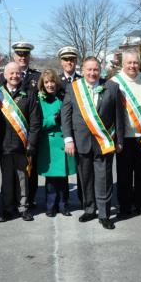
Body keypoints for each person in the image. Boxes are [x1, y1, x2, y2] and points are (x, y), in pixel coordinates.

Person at [61, 56, 124, 229]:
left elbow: (119, 116)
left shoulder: (112, 87)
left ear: (100, 70)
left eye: (95, 69)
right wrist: (68, 139)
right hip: (81, 142)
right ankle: (89, 209)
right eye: (89, 69)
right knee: (85, 178)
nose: (92, 73)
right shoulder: (73, 88)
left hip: (104, 142)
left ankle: (104, 215)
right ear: (83, 70)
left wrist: (119, 140)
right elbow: (66, 115)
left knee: (104, 179)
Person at [0, 62, 40, 222]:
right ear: (4, 75)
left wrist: (31, 144)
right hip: (4, 145)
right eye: (11, 73)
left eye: (17, 73)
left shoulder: (30, 93)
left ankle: (23, 208)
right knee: (6, 179)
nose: (14, 76)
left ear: (21, 75)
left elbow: (35, 122)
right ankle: (7, 209)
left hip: (23, 144)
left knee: (23, 178)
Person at [110, 49, 141, 218]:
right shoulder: (115, 82)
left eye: (135, 62)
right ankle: (125, 206)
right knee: (124, 175)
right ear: (123, 64)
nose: (132, 66)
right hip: (125, 137)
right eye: (129, 62)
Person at [37, 69, 76, 217]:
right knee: (51, 179)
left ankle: (63, 205)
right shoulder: (39, 99)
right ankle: (50, 206)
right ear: (43, 84)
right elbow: (38, 123)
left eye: (52, 81)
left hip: (64, 141)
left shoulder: (63, 97)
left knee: (63, 178)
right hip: (49, 144)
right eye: (46, 82)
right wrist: (54, 118)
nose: (50, 85)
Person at [13, 41, 41, 208]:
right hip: (12, 129)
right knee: (13, 169)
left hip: (31, 129)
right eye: (19, 54)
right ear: (14, 56)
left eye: (25, 54)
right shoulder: (6, 75)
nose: (22, 57)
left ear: (29, 56)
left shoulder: (37, 77)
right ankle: (14, 198)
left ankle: (31, 198)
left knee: (32, 166)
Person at [57, 46, 83, 205]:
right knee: (63, 166)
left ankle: (83, 199)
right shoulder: (56, 81)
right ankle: (63, 201)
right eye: (66, 59)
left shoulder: (82, 80)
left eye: (72, 59)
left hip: (80, 130)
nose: (69, 62)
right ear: (61, 62)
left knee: (82, 167)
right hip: (62, 129)